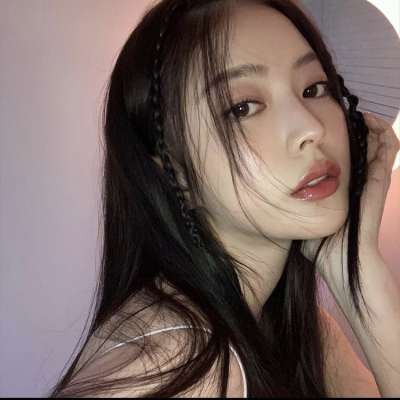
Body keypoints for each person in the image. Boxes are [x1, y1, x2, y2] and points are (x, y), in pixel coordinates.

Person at [47, 0, 400, 397]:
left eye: (313, 88)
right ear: (175, 172)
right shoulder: (181, 367)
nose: (311, 128)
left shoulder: (300, 333)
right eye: (242, 108)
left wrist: (360, 273)